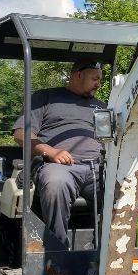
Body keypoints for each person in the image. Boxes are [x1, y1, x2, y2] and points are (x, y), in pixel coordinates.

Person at [13, 60, 106, 247]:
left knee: (127, 184)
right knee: (56, 182)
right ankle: (58, 250)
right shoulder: (45, 98)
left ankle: (110, 248)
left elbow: (117, 138)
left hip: (98, 167)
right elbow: (20, 133)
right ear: (78, 74)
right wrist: (51, 151)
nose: (99, 84)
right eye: (95, 78)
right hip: (59, 166)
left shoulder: (102, 107)